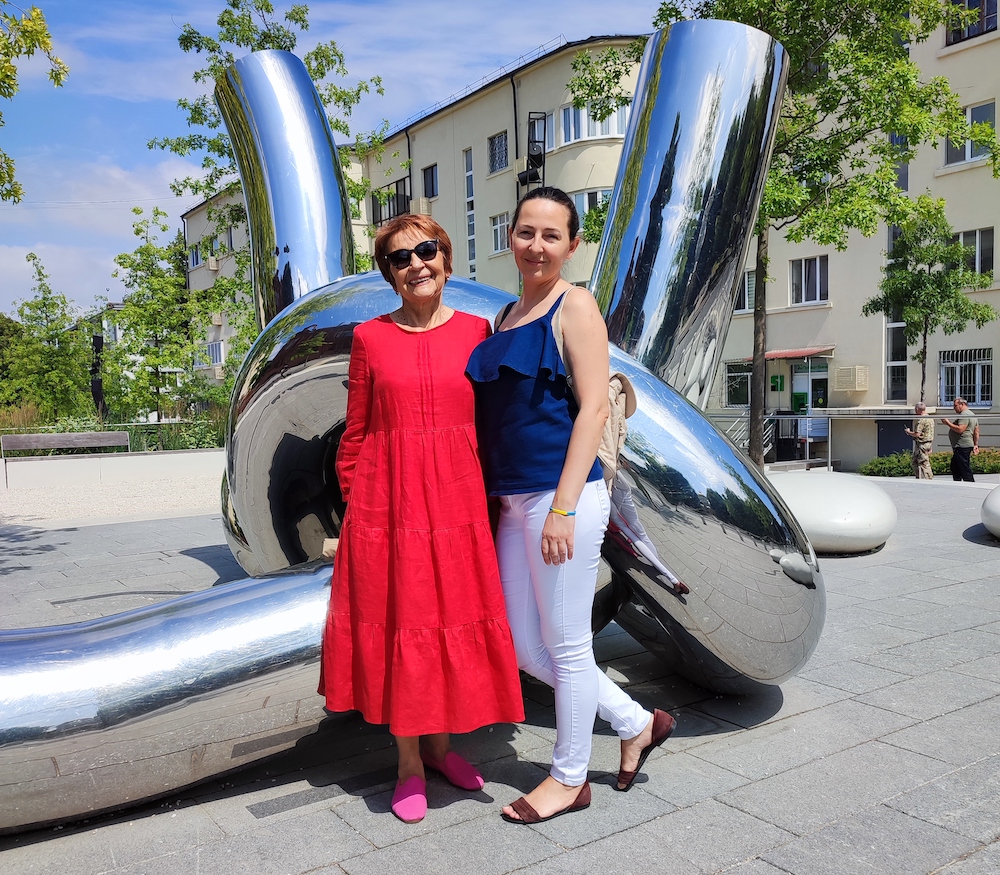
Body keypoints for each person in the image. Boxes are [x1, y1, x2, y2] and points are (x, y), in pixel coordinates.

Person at [466, 187, 675, 826]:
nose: (536, 245)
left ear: (572, 244)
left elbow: (594, 408)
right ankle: (635, 723)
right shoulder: (504, 316)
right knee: (525, 647)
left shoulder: (575, 304)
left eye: (550, 235)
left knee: (566, 645)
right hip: (512, 502)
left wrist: (561, 509)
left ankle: (568, 778)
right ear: (511, 236)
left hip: (563, 498)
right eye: (525, 232)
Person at [319, 214, 524, 824]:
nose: (416, 265)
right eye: (399, 258)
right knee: (405, 624)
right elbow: (356, 431)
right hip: (389, 506)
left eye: (426, 250)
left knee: (449, 619)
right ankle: (409, 764)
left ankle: (441, 749)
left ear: (446, 259)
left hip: (459, 504)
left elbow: (494, 423)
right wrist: (359, 508)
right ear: (388, 274)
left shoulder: (477, 331)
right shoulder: (369, 337)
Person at [941, 397, 979, 482]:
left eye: (955, 406)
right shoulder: (972, 414)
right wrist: (975, 444)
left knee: (964, 467)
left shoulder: (964, 415)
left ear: (962, 404)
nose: (954, 408)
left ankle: (970, 483)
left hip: (962, 445)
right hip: (964, 445)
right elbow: (976, 431)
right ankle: (958, 482)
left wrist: (948, 423)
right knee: (955, 466)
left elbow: (960, 429)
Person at [904, 402, 934, 479]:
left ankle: (928, 479)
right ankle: (919, 477)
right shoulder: (930, 418)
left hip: (922, 444)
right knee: (915, 462)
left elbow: (917, 434)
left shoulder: (921, 420)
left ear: (917, 409)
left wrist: (909, 432)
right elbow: (930, 433)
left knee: (924, 463)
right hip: (927, 443)